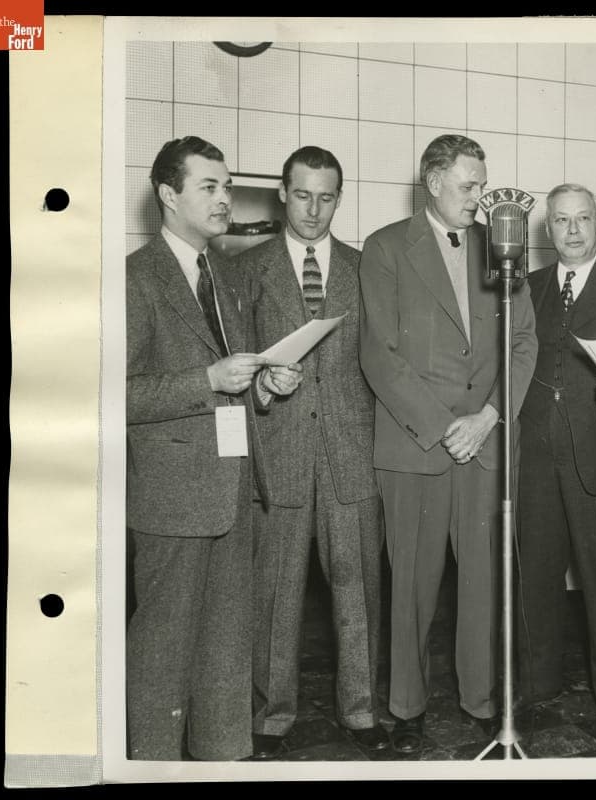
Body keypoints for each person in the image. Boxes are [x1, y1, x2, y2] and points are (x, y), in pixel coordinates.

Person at [358, 134, 537, 754]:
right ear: (433, 183)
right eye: (469, 186)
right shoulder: (385, 249)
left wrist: (488, 416)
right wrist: (442, 426)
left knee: (486, 581)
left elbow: (523, 342)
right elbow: (378, 355)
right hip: (417, 445)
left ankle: (482, 698)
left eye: (483, 186)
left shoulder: (500, 248)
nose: (479, 198)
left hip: (485, 440)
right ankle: (406, 706)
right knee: (410, 581)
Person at [126, 136, 301, 760]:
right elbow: (115, 395)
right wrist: (208, 379)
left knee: (227, 646)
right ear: (169, 196)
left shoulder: (220, 275)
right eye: (210, 187)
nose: (225, 198)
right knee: (163, 650)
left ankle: (224, 761)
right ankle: (148, 766)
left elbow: (233, 376)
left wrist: (264, 384)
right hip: (172, 497)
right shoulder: (135, 279)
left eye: (227, 186)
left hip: (232, 488)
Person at [237, 146, 387, 757]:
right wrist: (262, 385)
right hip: (281, 450)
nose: (313, 209)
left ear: (338, 199)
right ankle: (272, 717)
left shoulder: (365, 268)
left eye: (327, 197)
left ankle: (361, 712)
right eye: (303, 195)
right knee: (275, 591)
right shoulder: (247, 270)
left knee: (359, 588)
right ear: (282, 192)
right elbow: (232, 361)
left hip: (352, 452)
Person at [516, 183, 596, 713]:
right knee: (534, 573)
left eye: (582, 219)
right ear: (548, 229)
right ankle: (538, 682)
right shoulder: (526, 285)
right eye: (561, 221)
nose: (572, 231)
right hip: (535, 457)